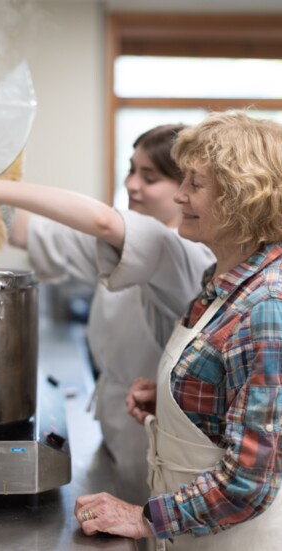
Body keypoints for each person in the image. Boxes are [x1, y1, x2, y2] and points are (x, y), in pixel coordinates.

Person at [0, 124, 214, 506]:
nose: (132, 185)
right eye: (131, 170)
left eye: (151, 177)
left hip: (157, 446)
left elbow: (102, 220)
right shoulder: (125, 247)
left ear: (186, 189)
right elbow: (31, 232)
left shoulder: (184, 253)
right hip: (121, 430)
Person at [71, 111, 282, 550]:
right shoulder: (220, 280)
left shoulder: (266, 305)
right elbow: (233, 394)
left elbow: (249, 481)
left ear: (243, 196)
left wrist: (142, 517)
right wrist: (174, 400)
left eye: (194, 184)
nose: (180, 196)